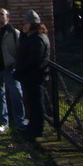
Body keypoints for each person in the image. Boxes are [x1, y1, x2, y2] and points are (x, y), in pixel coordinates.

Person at [14, 9, 51, 139]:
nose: (24, 26)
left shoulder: (38, 39)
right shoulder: (31, 37)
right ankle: (32, 127)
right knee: (32, 103)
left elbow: (34, 60)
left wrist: (21, 70)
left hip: (35, 76)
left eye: (27, 23)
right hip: (30, 76)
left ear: (33, 24)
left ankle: (36, 129)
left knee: (36, 104)